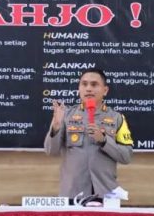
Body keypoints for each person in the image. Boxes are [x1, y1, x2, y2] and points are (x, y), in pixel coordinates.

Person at [44, 69, 133, 198]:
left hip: (105, 194)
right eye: (84, 84)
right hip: (72, 194)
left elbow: (126, 156)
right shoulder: (66, 115)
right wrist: (56, 127)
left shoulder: (117, 118)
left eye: (94, 84)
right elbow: (51, 151)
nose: (89, 89)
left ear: (105, 90)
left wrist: (104, 141)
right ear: (79, 88)